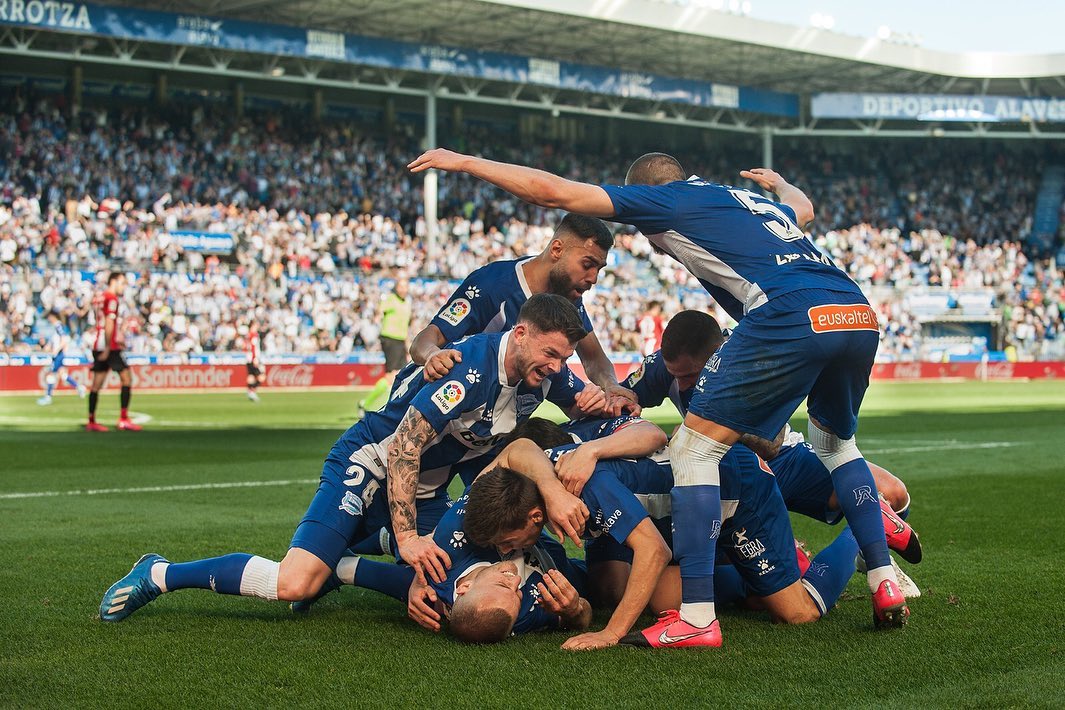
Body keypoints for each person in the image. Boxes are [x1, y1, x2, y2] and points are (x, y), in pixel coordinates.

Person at [408, 149, 908, 647]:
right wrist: (779, 185)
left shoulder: (667, 202)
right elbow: (803, 211)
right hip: (855, 311)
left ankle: (697, 617)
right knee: (839, 447)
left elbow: (556, 192)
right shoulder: (742, 203)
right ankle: (882, 577)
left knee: (694, 450)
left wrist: (466, 163)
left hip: (789, 316)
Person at [98, 294, 608, 622]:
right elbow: (405, 447)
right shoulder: (470, 368)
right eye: (552, 354)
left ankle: (346, 559)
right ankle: (160, 573)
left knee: (442, 591)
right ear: (520, 334)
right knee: (295, 581)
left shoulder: (542, 372)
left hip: (426, 486)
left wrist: (612, 397)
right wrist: (408, 540)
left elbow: (586, 406)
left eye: (564, 357)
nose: (559, 367)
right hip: (372, 463)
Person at [624, 309, 921, 575]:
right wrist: (625, 404)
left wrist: (699, 429)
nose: (684, 384)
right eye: (677, 376)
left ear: (717, 353)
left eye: (690, 375)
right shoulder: (665, 366)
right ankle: (825, 548)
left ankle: (871, 554)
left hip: (785, 463)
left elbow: (772, 444)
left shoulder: (750, 360)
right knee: (750, 574)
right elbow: (625, 396)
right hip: (728, 477)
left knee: (892, 493)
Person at [408, 212, 638, 413]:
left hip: (490, 424)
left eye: (599, 268)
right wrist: (431, 355)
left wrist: (610, 386)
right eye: (587, 265)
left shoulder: (567, 299)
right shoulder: (492, 284)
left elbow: (594, 357)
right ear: (557, 249)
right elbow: (426, 339)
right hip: (438, 406)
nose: (593, 278)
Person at [86, 272, 141, 432]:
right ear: (114, 281)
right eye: (122, 283)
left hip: (98, 343)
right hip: (108, 346)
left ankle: (91, 420)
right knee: (127, 379)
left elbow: (99, 322)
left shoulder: (100, 297)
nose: (124, 287)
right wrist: (110, 346)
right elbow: (109, 323)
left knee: (96, 384)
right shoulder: (111, 299)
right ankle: (123, 419)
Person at [360, 277, 413, 414]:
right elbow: (379, 310)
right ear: (396, 288)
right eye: (401, 286)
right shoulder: (391, 299)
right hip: (390, 338)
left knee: (402, 374)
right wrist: (377, 317)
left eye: (405, 286)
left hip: (400, 341)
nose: (403, 289)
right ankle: (366, 404)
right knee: (392, 375)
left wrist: (407, 346)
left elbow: (406, 326)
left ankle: (393, 407)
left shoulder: (407, 303)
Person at [37, 310, 85, 405]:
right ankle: (79, 387)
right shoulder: (56, 327)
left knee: (51, 375)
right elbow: (56, 340)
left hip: (59, 355)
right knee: (63, 375)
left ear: (53, 316)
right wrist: (49, 346)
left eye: (49, 317)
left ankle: (48, 397)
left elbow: (63, 339)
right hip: (59, 354)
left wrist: (56, 350)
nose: (48, 319)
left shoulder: (58, 326)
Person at [243, 322, 263, 402]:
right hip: (253, 359)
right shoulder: (254, 335)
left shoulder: (248, 335)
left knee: (251, 376)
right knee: (261, 376)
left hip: (248, 358)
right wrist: (255, 358)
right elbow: (253, 347)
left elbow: (245, 347)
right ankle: (252, 392)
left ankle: (249, 391)